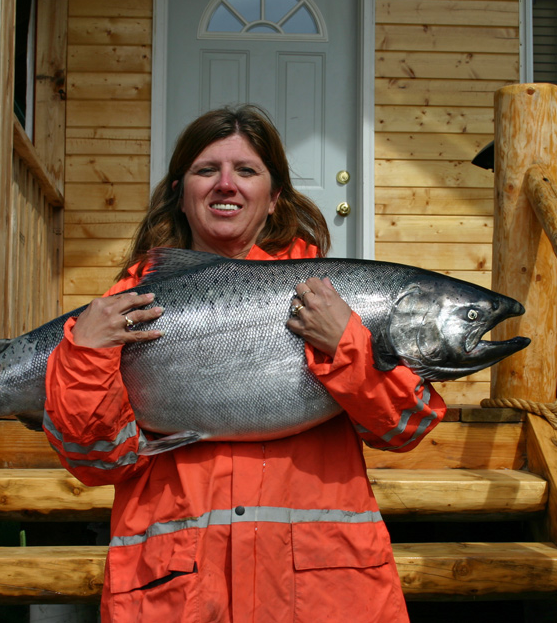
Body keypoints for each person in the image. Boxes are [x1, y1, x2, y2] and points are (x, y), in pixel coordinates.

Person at [43, 105, 446, 621]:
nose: (225, 185)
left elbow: (405, 426)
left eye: (247, 171)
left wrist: (347, 344)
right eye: (206, 170)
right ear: (178, 192)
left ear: (275, 197)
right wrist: (82, 355)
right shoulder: (120, 310)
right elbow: (96, 460)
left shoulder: (334, 300)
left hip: (320, 597)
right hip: (177, 597)